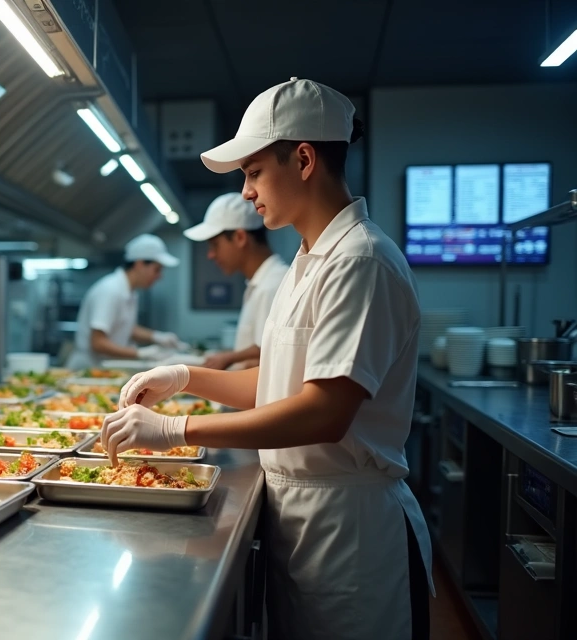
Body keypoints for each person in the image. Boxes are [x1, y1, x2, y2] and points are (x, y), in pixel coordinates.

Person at [101, 78, 431, 640]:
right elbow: (278, 383)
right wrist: (186, 377)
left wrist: (176, 429)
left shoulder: (360, 261)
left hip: (348, 533)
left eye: (254, 173)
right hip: (306, 518)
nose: (248, 194)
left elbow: (324, 412)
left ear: (303, 159)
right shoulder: (308, 261)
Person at [184, 192, 289, 370]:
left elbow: (271, 356)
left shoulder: (273, 285)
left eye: (215, 245)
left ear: (240, 238)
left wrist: (229, 359)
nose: (211, 255)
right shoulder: (260, 283)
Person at [64, 234, 185, 369]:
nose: (159, 276)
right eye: (157, 270)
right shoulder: (111, 290)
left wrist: (157, 337)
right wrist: (140, 353)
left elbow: (124, 327)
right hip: (89, 369)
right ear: (140, 264)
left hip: (104, 367)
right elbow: (98, 342)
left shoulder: (128, 292)